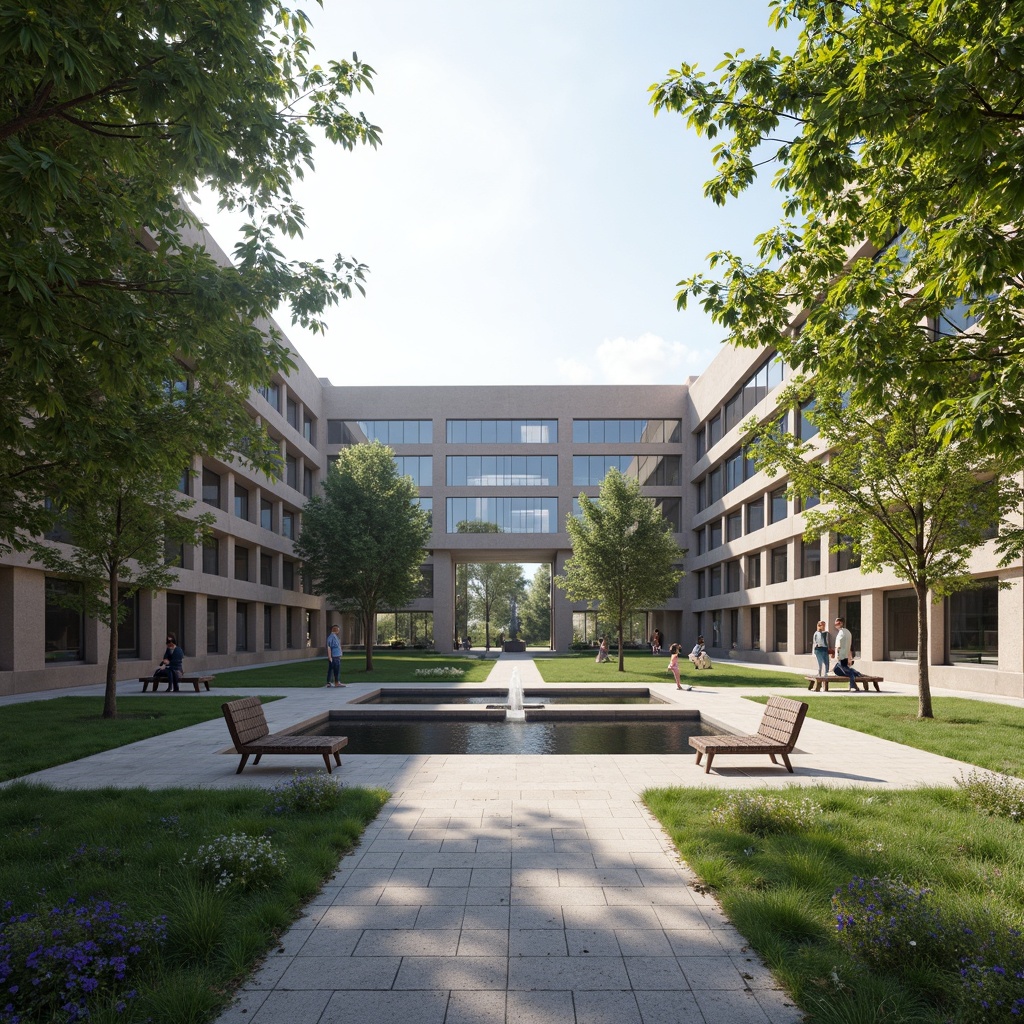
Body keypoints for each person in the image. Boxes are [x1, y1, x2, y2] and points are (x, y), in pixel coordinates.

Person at [833, 617, 857, 691]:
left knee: (847, 671)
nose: (835, 625)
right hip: (846, 656)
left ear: (841, 623)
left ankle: (853, 682)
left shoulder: (841, 633)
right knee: (836, 669)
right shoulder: (848, 632)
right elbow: (849, 646)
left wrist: (836, 655)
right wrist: (850, 658)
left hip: (841, 656)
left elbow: (838, 646)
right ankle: (854, 674)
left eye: (836, 623)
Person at [810, 619, 832, 686]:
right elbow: (814, 642)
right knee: (820, 664)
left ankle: (826, 676)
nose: (823, 626)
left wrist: (830, 649)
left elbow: (828, 642)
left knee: (827, 663)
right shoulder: (816, 633)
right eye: (822, 625)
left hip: (825, 649)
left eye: (824, 625)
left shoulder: (826, 633)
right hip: (818, 649)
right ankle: (819, 676)